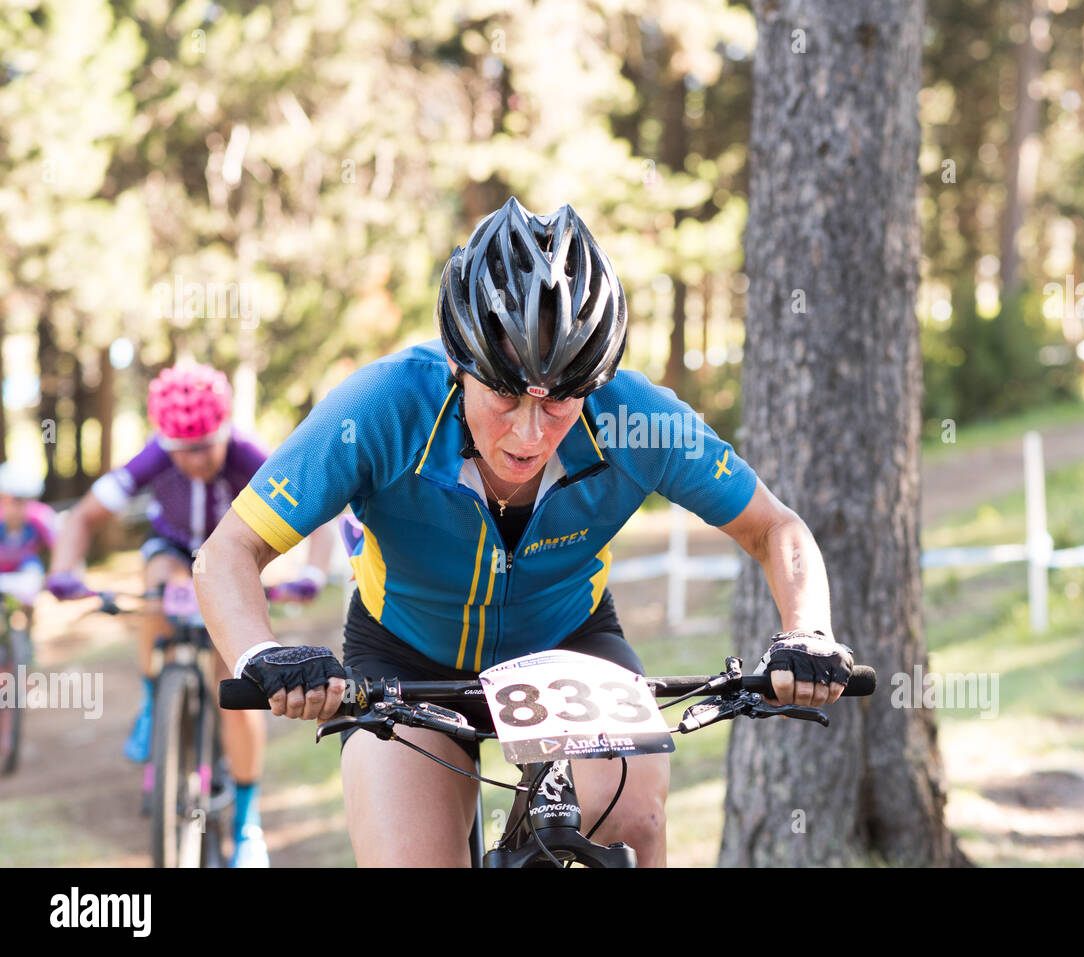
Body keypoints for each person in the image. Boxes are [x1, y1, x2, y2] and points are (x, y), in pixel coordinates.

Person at [197, 197, 853, 867]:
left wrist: (808, 629)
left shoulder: (636, 419)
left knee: (632, 821)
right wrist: (260, 653)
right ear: (460, 364)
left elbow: (773, 526)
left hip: (569, 644)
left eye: (561, 401)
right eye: (505, 396)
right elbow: (227, 553)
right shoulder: (381, 408)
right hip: (407, 656)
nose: (530, 432)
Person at [47, 361, 331, 868]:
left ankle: (247, 825)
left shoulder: (249, 453)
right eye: (183, 450)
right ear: (166, 441)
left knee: (237, 671)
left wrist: (311, 573)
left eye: (205, 446)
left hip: (231, 556)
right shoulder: (153, 457)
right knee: (159, 580)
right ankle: (156, 699)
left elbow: (321, 511)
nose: (196, 460)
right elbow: (86, 515)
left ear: (224, 432)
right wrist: (66, 569)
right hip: (173, 549)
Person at [0, 462, 56, 609]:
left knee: (30, 590)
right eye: (15, 499)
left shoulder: (41, 517)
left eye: (27, 499)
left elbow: (59, 545)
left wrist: (59, 574)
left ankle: (28, 626)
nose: (19, 506)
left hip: (26, 568)